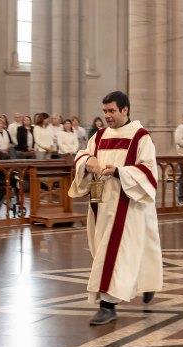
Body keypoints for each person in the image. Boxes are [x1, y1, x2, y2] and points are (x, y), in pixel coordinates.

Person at [70, 91, 163, 326]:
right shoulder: (100, 135)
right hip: (101, 202)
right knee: (124, 250)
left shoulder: (140, 137)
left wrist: (119, 172)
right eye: (105, 111)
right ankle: (146, 281)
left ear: (125, 110)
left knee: (114, 252)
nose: (107, 115)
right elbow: (83, 155)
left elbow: (149, 171)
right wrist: (87, 161)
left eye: (112, 111)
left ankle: (107, 306)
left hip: (128, 204)